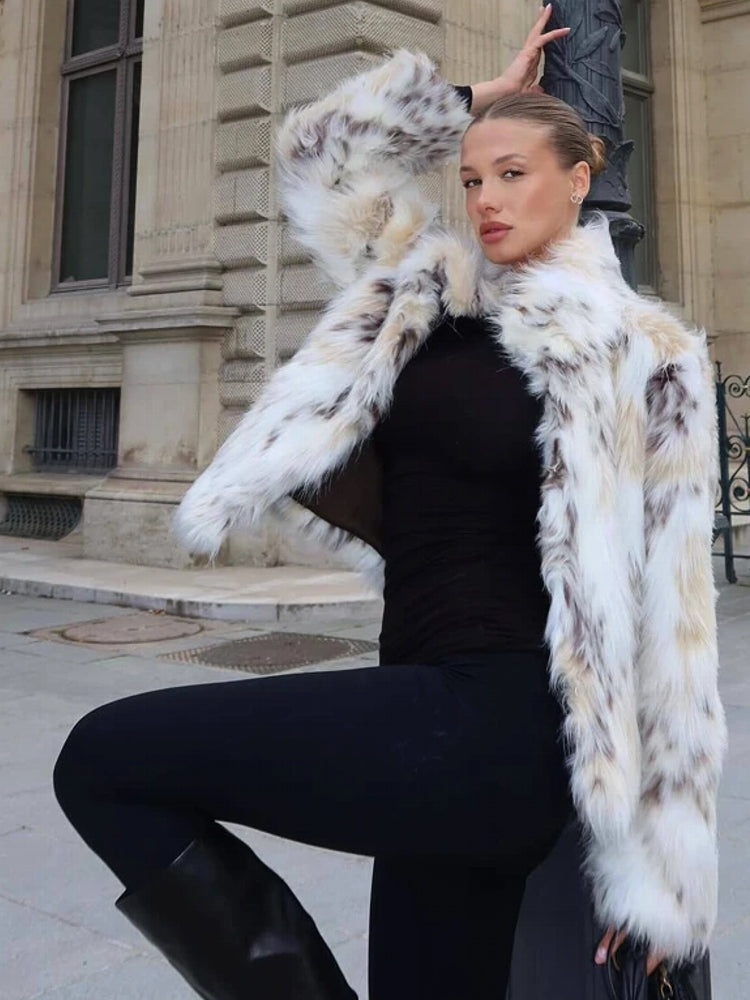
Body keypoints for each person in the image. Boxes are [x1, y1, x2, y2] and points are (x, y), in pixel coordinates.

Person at [53, 6, 726, 999]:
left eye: (514, 173)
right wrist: (478, 97)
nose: (486, 199)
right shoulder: (427, 295)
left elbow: (676, 620)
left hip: (497, 725)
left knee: (103, 761)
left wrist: (670, 879)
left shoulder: (643, 352)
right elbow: (316, 153)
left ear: (581, 180)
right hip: (423, 715)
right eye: (472, 177)